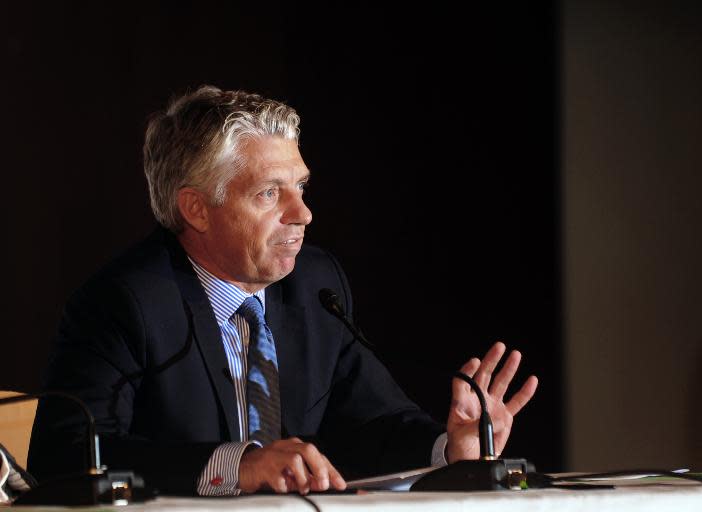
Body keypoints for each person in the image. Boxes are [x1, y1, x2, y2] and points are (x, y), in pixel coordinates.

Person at [28, 85, 538, 496]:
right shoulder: (127, 301)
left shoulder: (313, 286)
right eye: (270, 193)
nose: (303, 214)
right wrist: (239, 466)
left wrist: (452, 448)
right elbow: (67, 454)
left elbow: (376, 422)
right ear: (197, 209)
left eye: (302, 188)